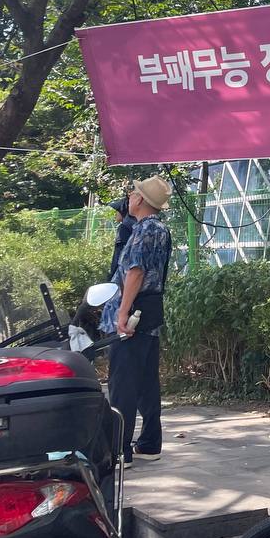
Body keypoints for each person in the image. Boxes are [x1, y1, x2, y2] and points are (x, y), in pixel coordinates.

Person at [101, 175, 172, 466]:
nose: (130, 196)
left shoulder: (144, 229)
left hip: (132, 314)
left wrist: (122, 312)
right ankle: (150, 443)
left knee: (122, 384)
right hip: (149, 312)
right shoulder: (161, 229)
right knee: (146, 381)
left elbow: (135, 271)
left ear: (140, 199)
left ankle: (120, 450)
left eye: (133, 193)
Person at [106, 193, 136, 281]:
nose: (116, 214)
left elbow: (119, 254)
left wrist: (112, 275)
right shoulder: (138, 225)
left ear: (123, 211)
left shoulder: (124, 227)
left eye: (117, 210)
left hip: (123, 275)